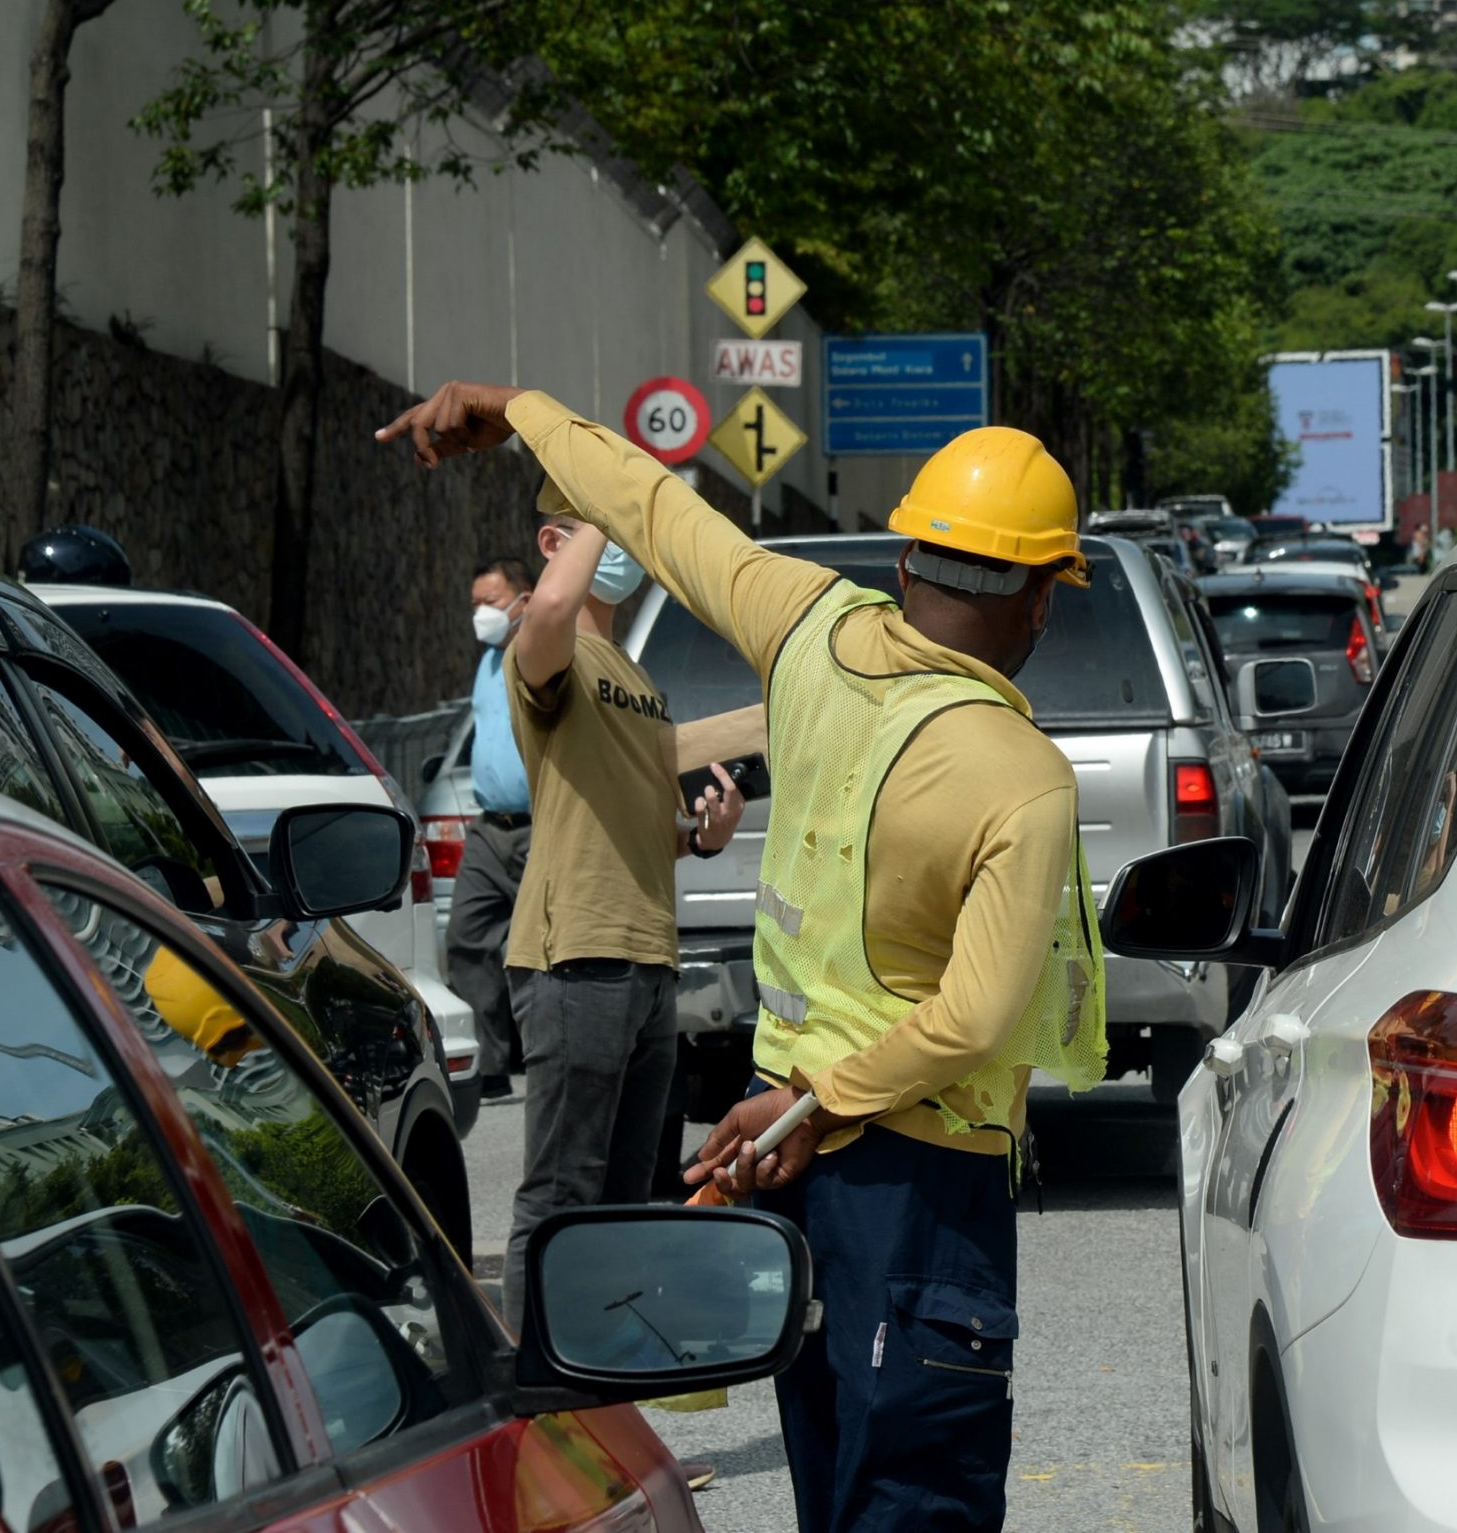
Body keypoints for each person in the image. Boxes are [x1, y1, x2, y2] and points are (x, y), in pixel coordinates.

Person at [378, 382, 1106, 1533]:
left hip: (785, 1167)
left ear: (907, 559)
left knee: (828, 1482)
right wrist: (821, 1104)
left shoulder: (807, 625)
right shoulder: (1019, 775)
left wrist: (518, 409)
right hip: (918, 1186)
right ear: (1038, 604)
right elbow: (971, 1019)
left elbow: (657, 510)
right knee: (917, 1497)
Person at [497, 496, 744, 1323]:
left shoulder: (634, 675)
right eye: (600, 529)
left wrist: (701, 837)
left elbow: (633, 822)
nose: (622, 548)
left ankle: (606, 1402)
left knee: (630, 1195)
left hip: (647, 956)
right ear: (554, 541)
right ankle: (539, 1401)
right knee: (563, 1193)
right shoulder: (545, 640)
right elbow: (557, 602)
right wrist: (603, 495)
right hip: (578, 951)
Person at [446, 555, 537, 1101]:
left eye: (492, 602)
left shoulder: (542, 653)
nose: (481, 614)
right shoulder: (486, 662)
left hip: (540, 826)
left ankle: (542, 1052)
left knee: (538, 950)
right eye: (476, 603)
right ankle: (493, 1067)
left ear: (524, 601)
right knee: (467, 938)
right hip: (488, 830)